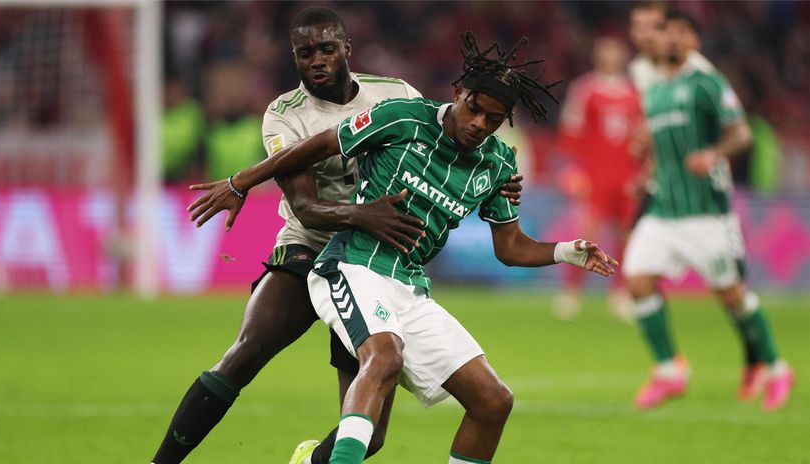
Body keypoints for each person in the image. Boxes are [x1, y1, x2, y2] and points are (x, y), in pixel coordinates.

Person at [188, 30, 618, 464]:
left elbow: (510, 247)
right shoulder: (402, 116)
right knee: (384, 357)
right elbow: (313, 148)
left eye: (493, 119)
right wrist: (239, 182)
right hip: (352, 264)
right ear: (458, 92)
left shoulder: (499, 163)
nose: (479, 125)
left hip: (410, 286)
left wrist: (566, 251)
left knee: (493, 401)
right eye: (475, 109)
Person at [151, 8, 524, 464]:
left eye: (327, 49)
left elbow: (448, 147)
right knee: (245, 353)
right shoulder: (284, 115)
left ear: (347, 48)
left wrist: (497, 174)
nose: (318, 60)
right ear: (294, 58)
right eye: (305, 53)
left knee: (372, 434)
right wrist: (361, 214)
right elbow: (305, 206)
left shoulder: (394, 94)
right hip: (309, 244)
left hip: (376, 259)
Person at [623, 10, 794, 411]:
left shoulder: (706, 82)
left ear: (695, 42)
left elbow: (741, 133)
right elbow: (660, 143)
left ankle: (775, 366)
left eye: (682, 33)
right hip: (664, 210)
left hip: (705, 214)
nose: (672, 40)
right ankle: (669, 370)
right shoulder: (656, 90)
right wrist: (646, 163)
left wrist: (713, 153)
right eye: (668, 33)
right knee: (637, 279)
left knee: (732, 295)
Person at [552, 36, 643, 321]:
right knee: (588, 235)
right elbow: (571, 130)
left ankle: (621, 293)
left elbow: (642, 134)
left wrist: (643, 170)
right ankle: (571, 292)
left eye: (615, 49)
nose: (610, 55)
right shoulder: (586, 89)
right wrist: (572, 169)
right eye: (605, 49)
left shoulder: (634, 92)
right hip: (595, 173)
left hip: (626, 174)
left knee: (626, 235)